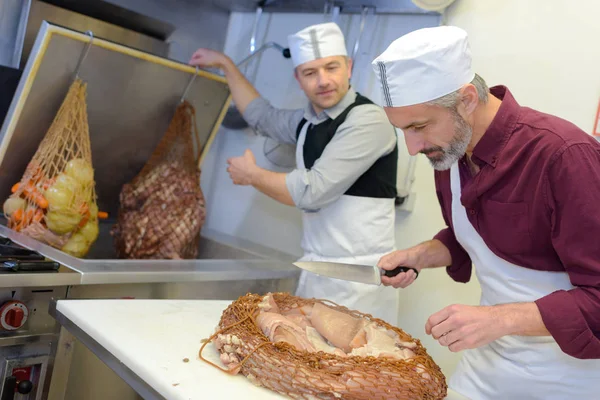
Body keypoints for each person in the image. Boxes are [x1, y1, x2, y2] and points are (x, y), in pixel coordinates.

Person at [371, 25, 600, 399]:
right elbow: (480, 236)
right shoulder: (451, 150)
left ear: (466, 100)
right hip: (486, 366)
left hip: (567, 378)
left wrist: (500, 318)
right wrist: (421, 255)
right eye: (402, 131)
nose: (412, 148)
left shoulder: (563, 157)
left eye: (419, 127)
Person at [189, 22, 400, 324]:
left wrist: (252, 175)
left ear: (349, 67)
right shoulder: (309, 121)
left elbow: (312, 191)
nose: (323, 81)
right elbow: (262, 116)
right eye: (310, 73)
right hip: (319, 272)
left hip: (358, 282)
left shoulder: (368, 120)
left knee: (352, 369)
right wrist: (226, 64)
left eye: (331, 68)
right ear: (297, 78)